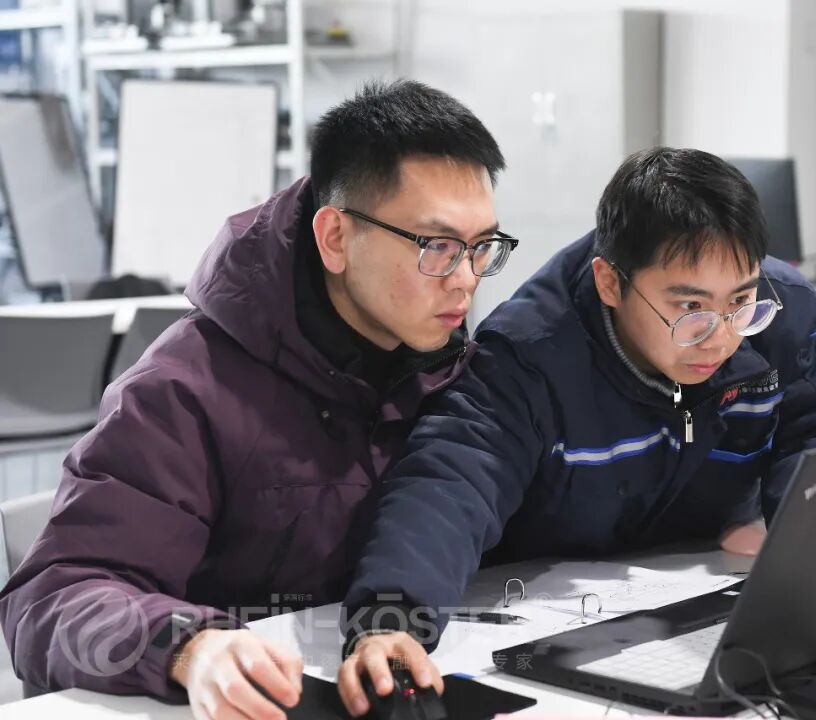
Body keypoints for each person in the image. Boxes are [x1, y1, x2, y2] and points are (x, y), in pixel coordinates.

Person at [0, 79, 514, 720]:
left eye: (482, 247)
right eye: (436, 247)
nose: (466, 280)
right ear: (335, 238)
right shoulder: (185, 389)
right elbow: (51, 602)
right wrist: (191, 648)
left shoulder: (453, 374)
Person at [336, 147, 816, 663]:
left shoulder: (781, 313)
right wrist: (393, 621)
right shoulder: (532, 354)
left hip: (703, 602)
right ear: (610, 282)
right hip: (547, 623)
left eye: (740, 301)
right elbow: (451, 483)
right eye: (690, 307)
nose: (720, 338)